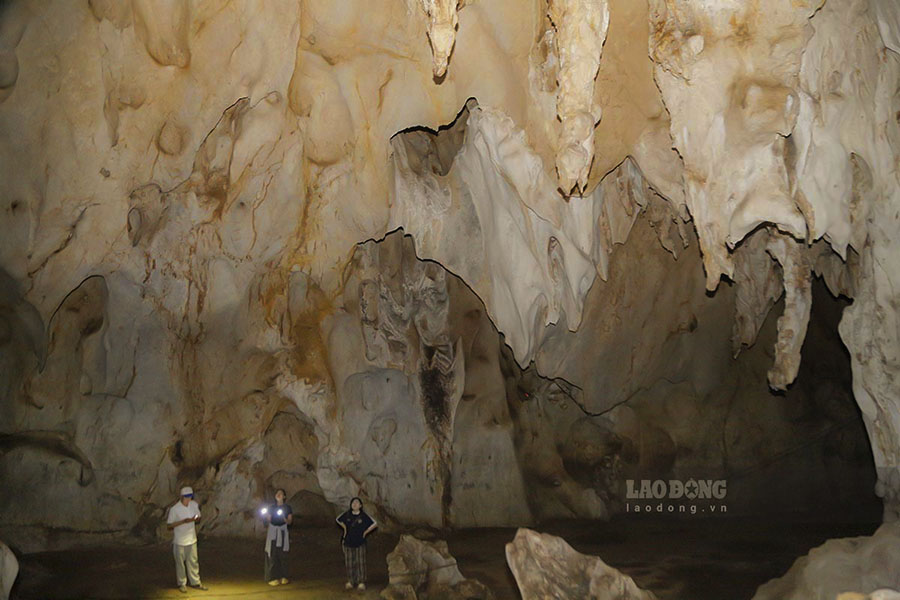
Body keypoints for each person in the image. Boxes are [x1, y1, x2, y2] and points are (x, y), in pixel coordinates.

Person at [166, 486, 208, 593]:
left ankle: (195, 582)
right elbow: (169, 526)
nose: (188, 499)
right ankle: (182, 583)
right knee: (180, 563)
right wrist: (183, 522)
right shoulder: (175, 509)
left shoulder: (193, 505)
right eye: (186, 497)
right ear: (182, 497)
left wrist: (195, 519)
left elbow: (198, 517)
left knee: (193, 561)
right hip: (179, 541)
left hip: (191, 539)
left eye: (190, 497)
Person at [335, 497, 377, 591]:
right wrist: (344, 528)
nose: (354, 504)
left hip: (360, 542)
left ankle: (361, 581)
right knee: (349, 562)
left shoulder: (363, 516)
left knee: (360, 562)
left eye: (357, 503)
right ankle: (351, 580)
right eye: (353, 502)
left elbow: (374, 523)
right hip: (348, 542)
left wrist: (366, 532)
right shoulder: (347, 515)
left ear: (360, 505)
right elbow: (338, 519)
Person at [263, 488, 293, 586]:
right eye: (277, 493)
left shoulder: (287, 508)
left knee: (283, 554)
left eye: (281, 493)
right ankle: (272, 577)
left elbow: (290, 521)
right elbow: (267, 520)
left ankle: (284, 576)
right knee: (272, 554)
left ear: (284, 497)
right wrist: (267, 518)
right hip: (273, 532)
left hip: (282, 532)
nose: (279, 494)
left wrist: (285, 519)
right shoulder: (271, 508)